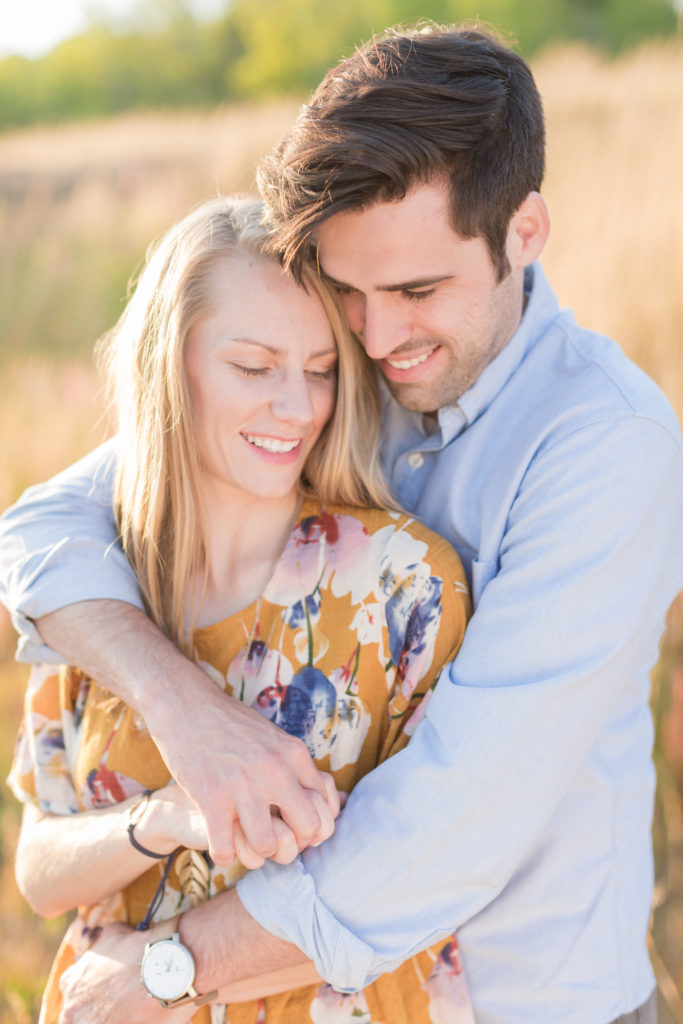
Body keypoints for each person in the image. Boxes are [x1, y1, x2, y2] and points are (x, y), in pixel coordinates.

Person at [1, 22, 682, 1024]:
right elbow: (48, 521)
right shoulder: (338, 356)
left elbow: (448, 826)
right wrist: (183, 708)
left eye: (415, 290)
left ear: (524, 231)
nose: (373, 338)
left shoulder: (602, 443)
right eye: (347, 292)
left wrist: (163, 969)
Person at [7, 194, 474, 1023]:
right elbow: (40, 871)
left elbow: (423, 881)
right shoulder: (96, 590)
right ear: (169, 366)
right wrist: (167, 817)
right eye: (254, 368)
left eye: (321, 369)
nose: (296, 408)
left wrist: (157, 975)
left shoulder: (404, 587)